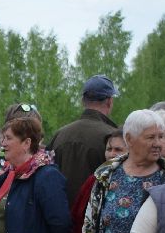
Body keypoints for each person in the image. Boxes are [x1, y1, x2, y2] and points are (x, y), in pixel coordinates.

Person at [49, 75, 120, 208]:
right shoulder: (113, 138)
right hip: (94, 219)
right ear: (110, 101)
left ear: (83, 101)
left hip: (58, 217)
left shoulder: (59, 134)